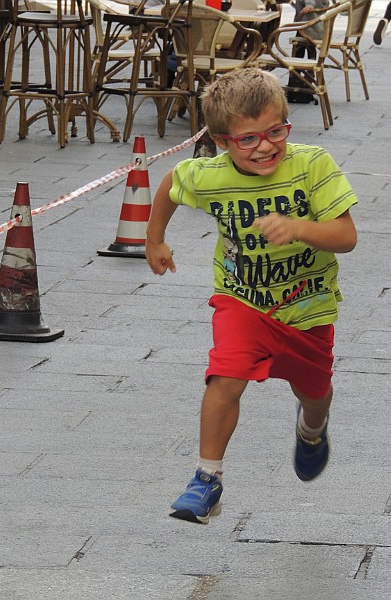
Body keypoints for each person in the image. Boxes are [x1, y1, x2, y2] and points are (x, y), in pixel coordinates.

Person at [145, 68, 358, 525]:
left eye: (275, 132)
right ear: (223, 142)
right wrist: (154, 240)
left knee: (315, 393)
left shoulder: (313, 165)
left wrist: (299, 227)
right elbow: (170, 185)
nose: (265, 146)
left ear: (286, 124)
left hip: (307, 306)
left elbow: (346, 235)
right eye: (248, 139)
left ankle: (313, 429)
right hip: (241, 299)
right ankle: (207, 478)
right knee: (226, 374)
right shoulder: (208, 175)